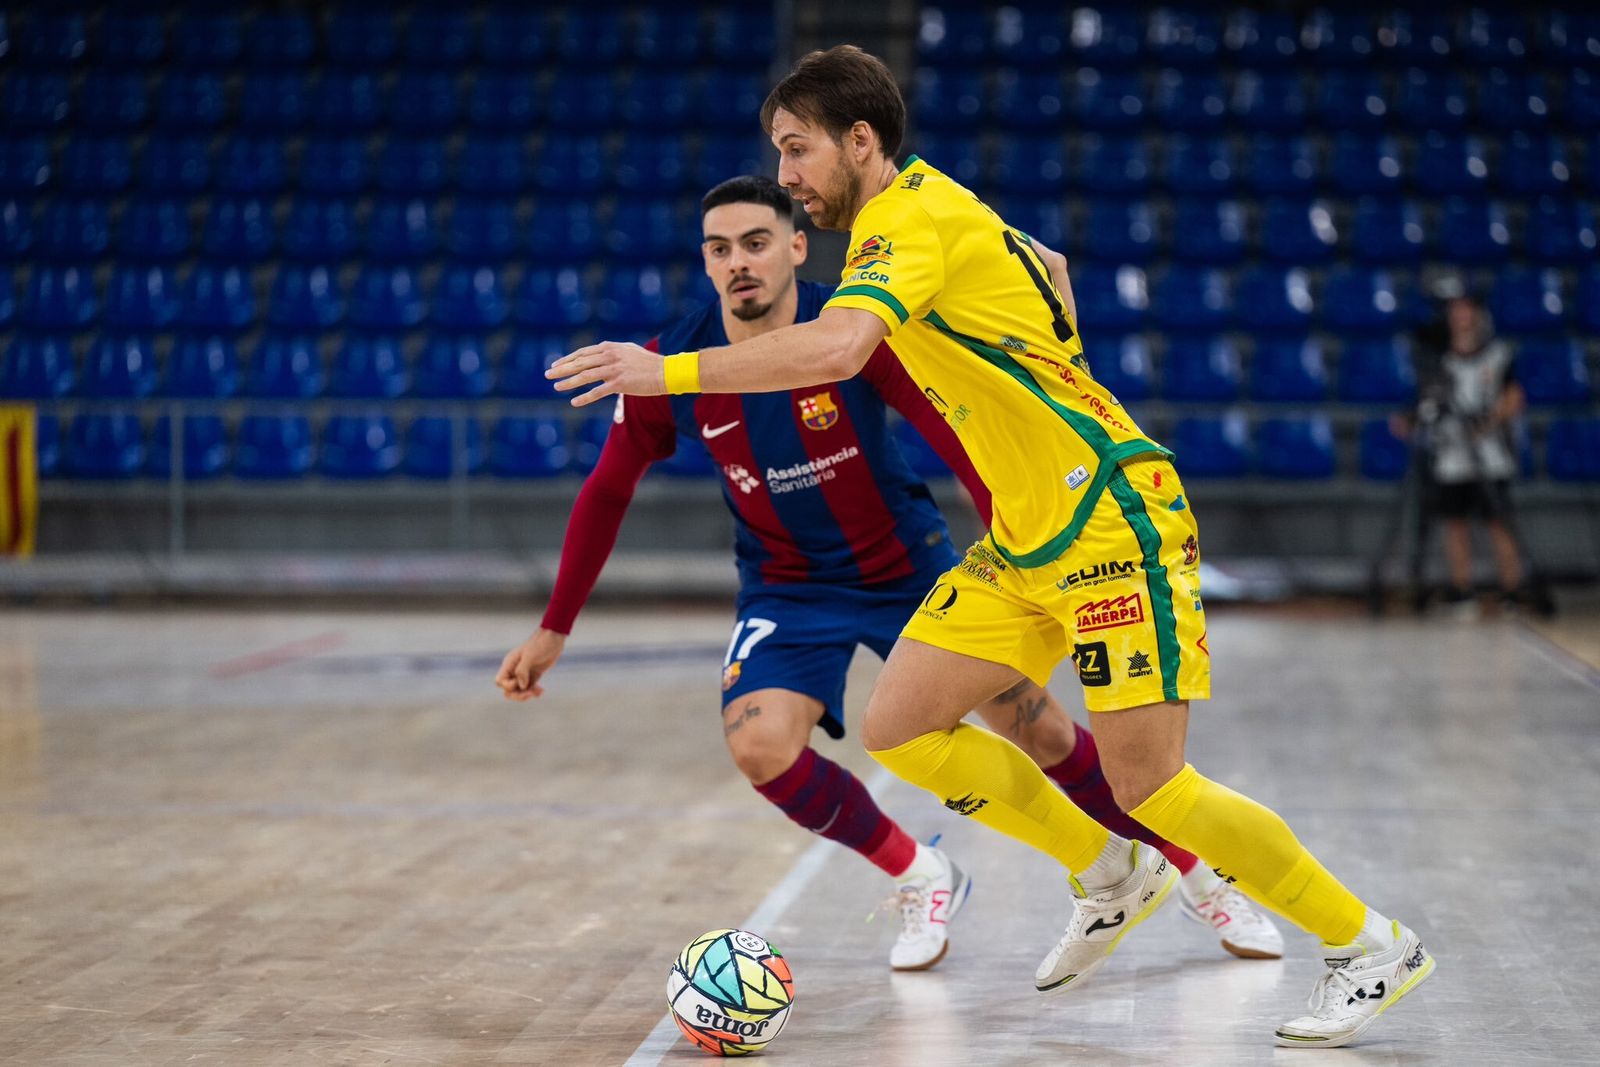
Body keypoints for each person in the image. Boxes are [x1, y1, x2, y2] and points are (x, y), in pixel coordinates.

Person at [547, 47, 1434, 1049]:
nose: (787, 175)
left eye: (796, 150)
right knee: (901, 724)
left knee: (1152, 784)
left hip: (1108, 517)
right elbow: (1048, 266)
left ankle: (1367, 942)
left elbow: (839, 348)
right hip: (1025, 535)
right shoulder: (928, 207)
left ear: (860, 141)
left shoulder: (902, 224)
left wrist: (664, 369)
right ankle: (1109, 870)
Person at [498, 174, 1280, 972]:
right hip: (787, 586)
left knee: (1038, 726)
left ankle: (1194, 872)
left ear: (795, 247)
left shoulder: (856, 327)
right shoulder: (671, 364)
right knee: (760, 745)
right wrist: (554, 627)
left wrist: (1028, 557)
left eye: (756, 243)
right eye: (720, 249)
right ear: (705, 262)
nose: (739, 263)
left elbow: (960, 435)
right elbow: (607, 489)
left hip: (907, 568)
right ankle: (920, 873)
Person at [1397, 292, 1528, 617]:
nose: (1461, 317)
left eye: (1467, 310)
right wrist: (1411, 420)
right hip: (1452, 453)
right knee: (1454, 524)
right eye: (1456, 311)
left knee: (1499, 522)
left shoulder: (1497, 355)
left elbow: (1514, 396)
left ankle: (1512, 592)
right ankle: (1462, 592)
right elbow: (1427, 400)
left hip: (1490, 454)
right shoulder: (1441, 360)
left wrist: (1489, 420)